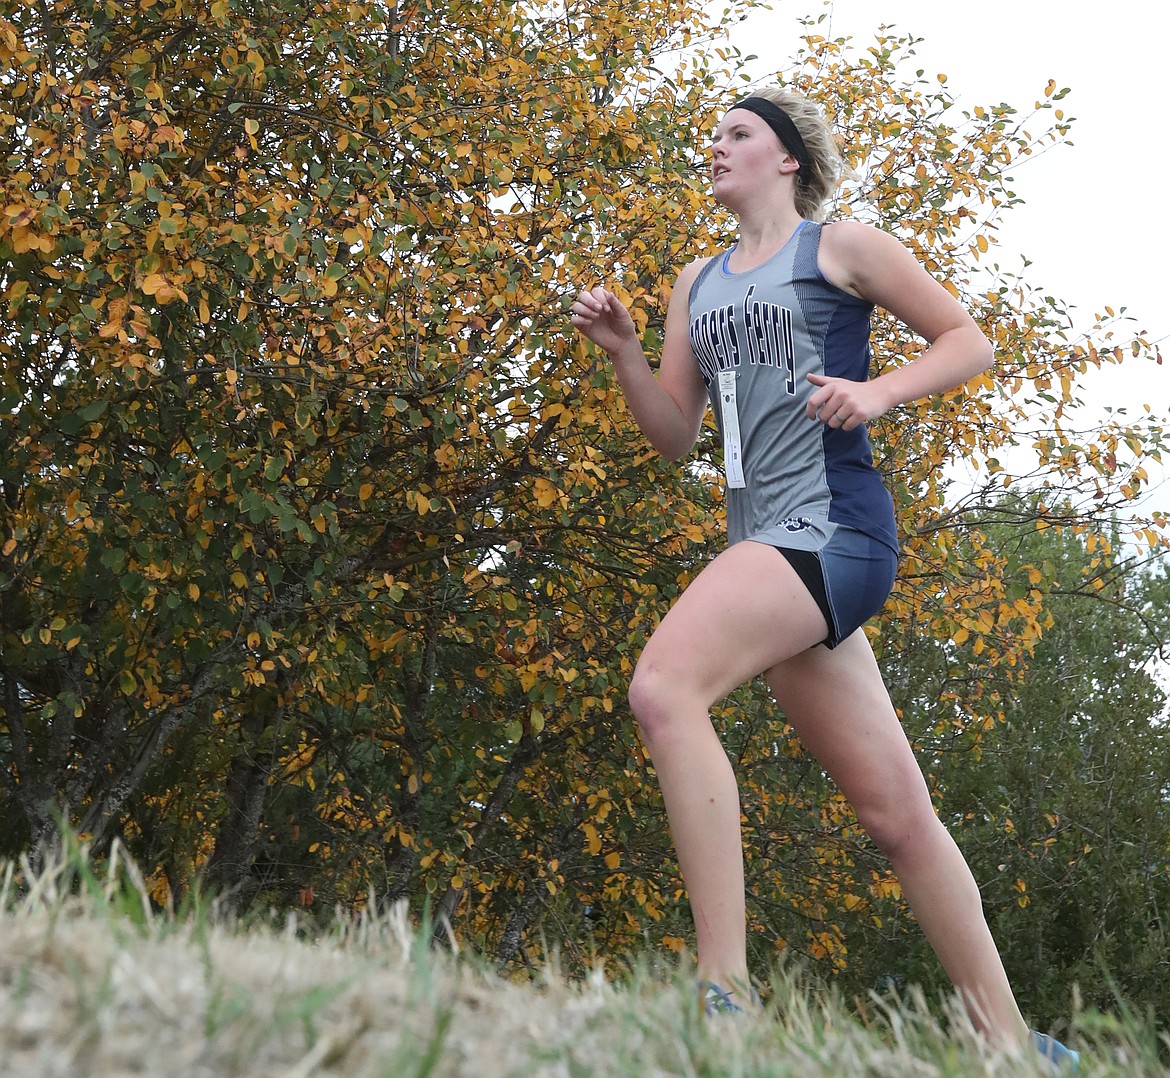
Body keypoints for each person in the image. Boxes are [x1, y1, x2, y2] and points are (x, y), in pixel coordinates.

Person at [569, 88, 1079, 1071]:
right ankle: (1016, 1049)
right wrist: (628, 353)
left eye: (737, 134)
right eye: (713, 134)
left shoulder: (841, 247)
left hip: (837, 531)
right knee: (897, 816)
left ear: (788, 159)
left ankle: (723, 998)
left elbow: (969, 339)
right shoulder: (695, 284)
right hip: (770, 542)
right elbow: (675, 438)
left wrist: (877, 391)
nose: (714, 147)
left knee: (664, 688)